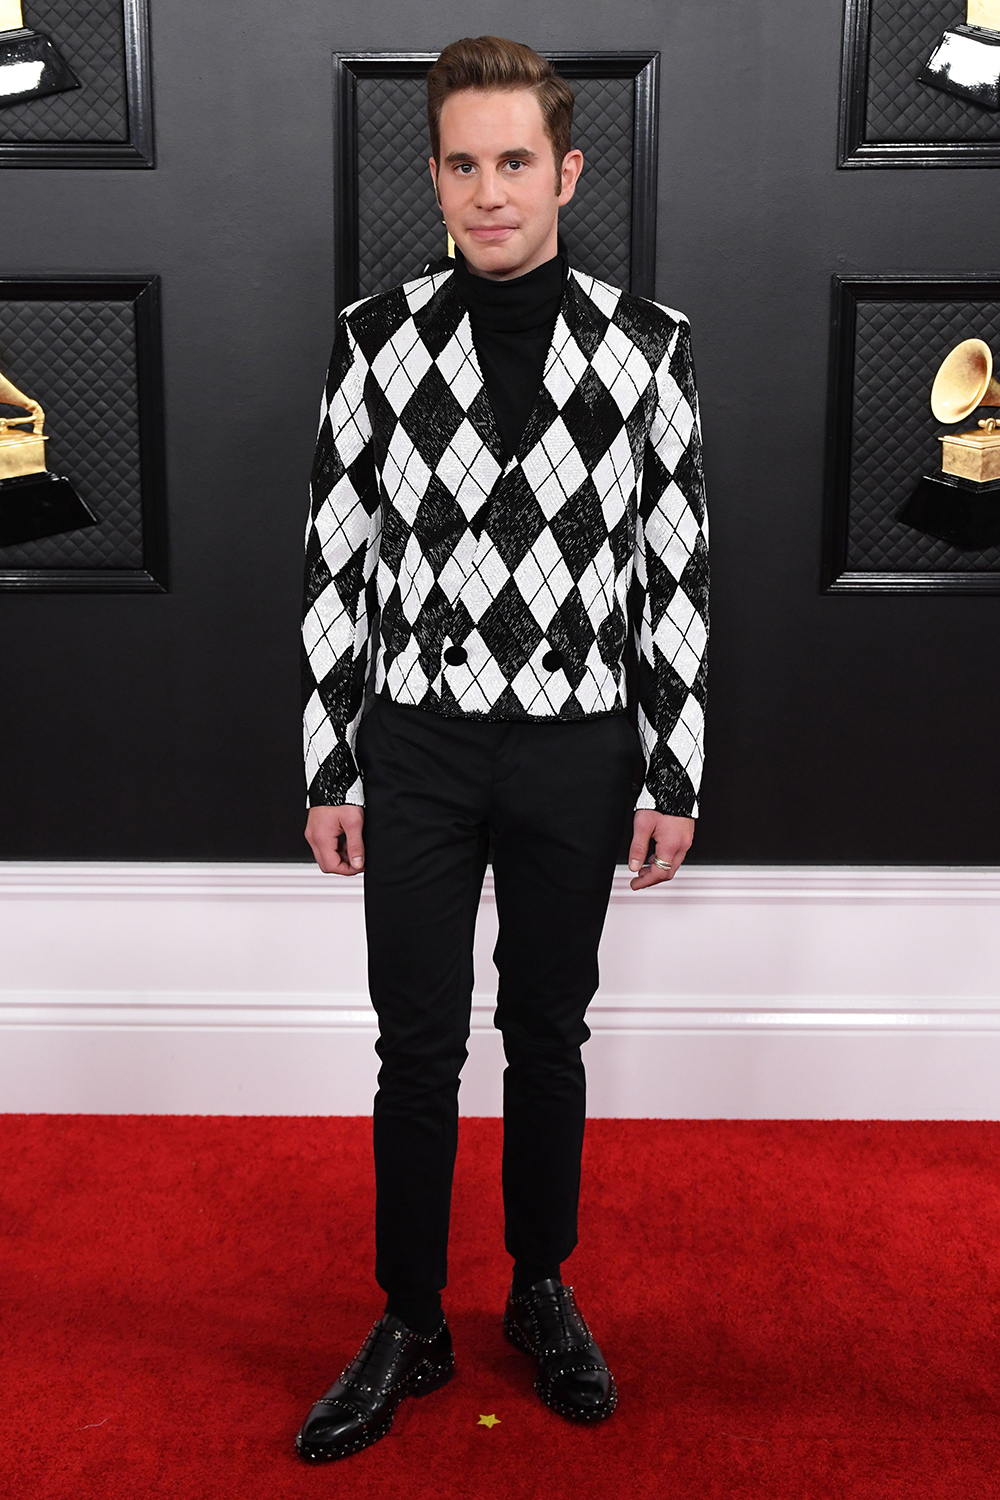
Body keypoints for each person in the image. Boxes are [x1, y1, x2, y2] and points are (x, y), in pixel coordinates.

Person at [295, 35, 708, 1462]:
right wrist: (330, 763)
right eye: (462, 165)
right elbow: (333, 561)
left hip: (578, 748)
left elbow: (677, 572)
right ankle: (411, 1317)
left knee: (548, 1034)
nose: (489, 192)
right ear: (435, 174)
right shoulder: (375, 340)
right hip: (412, 742)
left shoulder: (647, 347)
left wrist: (672, 771)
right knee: (416, 1046)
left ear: (565, 169)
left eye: (515, 162)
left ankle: (540, 1287)